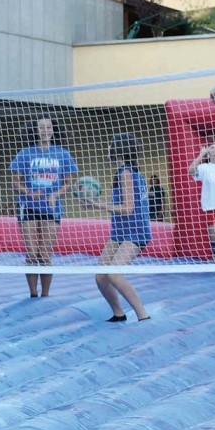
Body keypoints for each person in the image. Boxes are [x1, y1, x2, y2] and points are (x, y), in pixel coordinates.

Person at [80, 133, 151, 323]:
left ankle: (143, 315)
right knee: (101, 276)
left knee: (114, 274)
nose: (108, 147)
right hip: (119, 231)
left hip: (135, 231)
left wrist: (98, 205)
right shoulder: (124, 172)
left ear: (119, 149)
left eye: (111, 144)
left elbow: (128, 208)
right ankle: (119, 314)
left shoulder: (126, 173)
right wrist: (94, 204)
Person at [10, 116, 77, 298]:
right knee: (32, 254)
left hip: (51, 208)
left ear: (53, 130)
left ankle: (45, 295)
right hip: (28, 206)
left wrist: (54, 195)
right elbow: (15, 182)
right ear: (36, 130)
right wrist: (29, 192)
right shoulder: (25, 153)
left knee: (45, 255)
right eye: (41, 127)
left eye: (48, 127)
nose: (45, 130)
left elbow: (69, 183)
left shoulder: (62, 154)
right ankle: (33, 293)